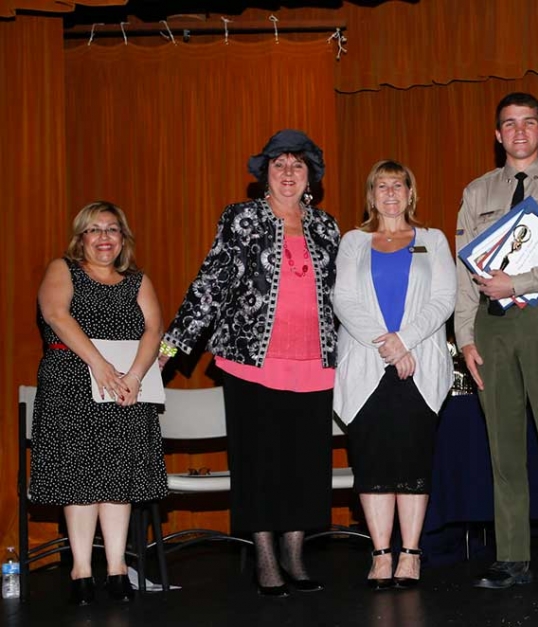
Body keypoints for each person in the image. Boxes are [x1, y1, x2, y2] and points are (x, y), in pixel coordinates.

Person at [159, 130, 341, 597]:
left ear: (310, 178)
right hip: (251, 363)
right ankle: (265, 560)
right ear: (265, 175)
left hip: (316, 365)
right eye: (278, 165)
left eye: (296, 165)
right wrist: (170, 348)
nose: (287, 173)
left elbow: (347, 297)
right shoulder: (241, 219)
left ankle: (295, 558)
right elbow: (211, 285)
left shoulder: (327, 227)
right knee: (259, 463)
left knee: (305, 465)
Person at [456, 92, 538, 590]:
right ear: (497, 135)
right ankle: (511, 555)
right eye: (509, 124)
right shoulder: (476, 192)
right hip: (491, 327)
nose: (518, 132)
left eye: (528, 123)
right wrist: (465, 337)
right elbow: (462, 270)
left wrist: (520, 281)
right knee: (503, 446)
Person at [30, 201, 168, 605]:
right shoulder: (63, 269)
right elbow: (57, 315)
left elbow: (154, 329)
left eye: (112, 229)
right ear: (81, 238)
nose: (104, 237)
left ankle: (117, 570)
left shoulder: (138, 280)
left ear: (123, 238)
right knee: (80, 478)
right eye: (94, 230)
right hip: (72, 381)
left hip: (126, 386)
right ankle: (81, 571)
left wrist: (134, 378)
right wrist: (101, 367)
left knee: (118, 478)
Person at [333, 160, 456, 590]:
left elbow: (444, 299)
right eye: (381, 186)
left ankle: (411, 553)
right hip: (367, 366)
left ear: (410, 193)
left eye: (397, 185)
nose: (390, 193)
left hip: (418, 366)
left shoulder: (433, 240)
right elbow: (343, 298)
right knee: (373, 463)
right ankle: (381, 553)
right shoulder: (353, 241)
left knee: (412, 461)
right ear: (371, 195)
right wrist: (385, 344)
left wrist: (404, 342)